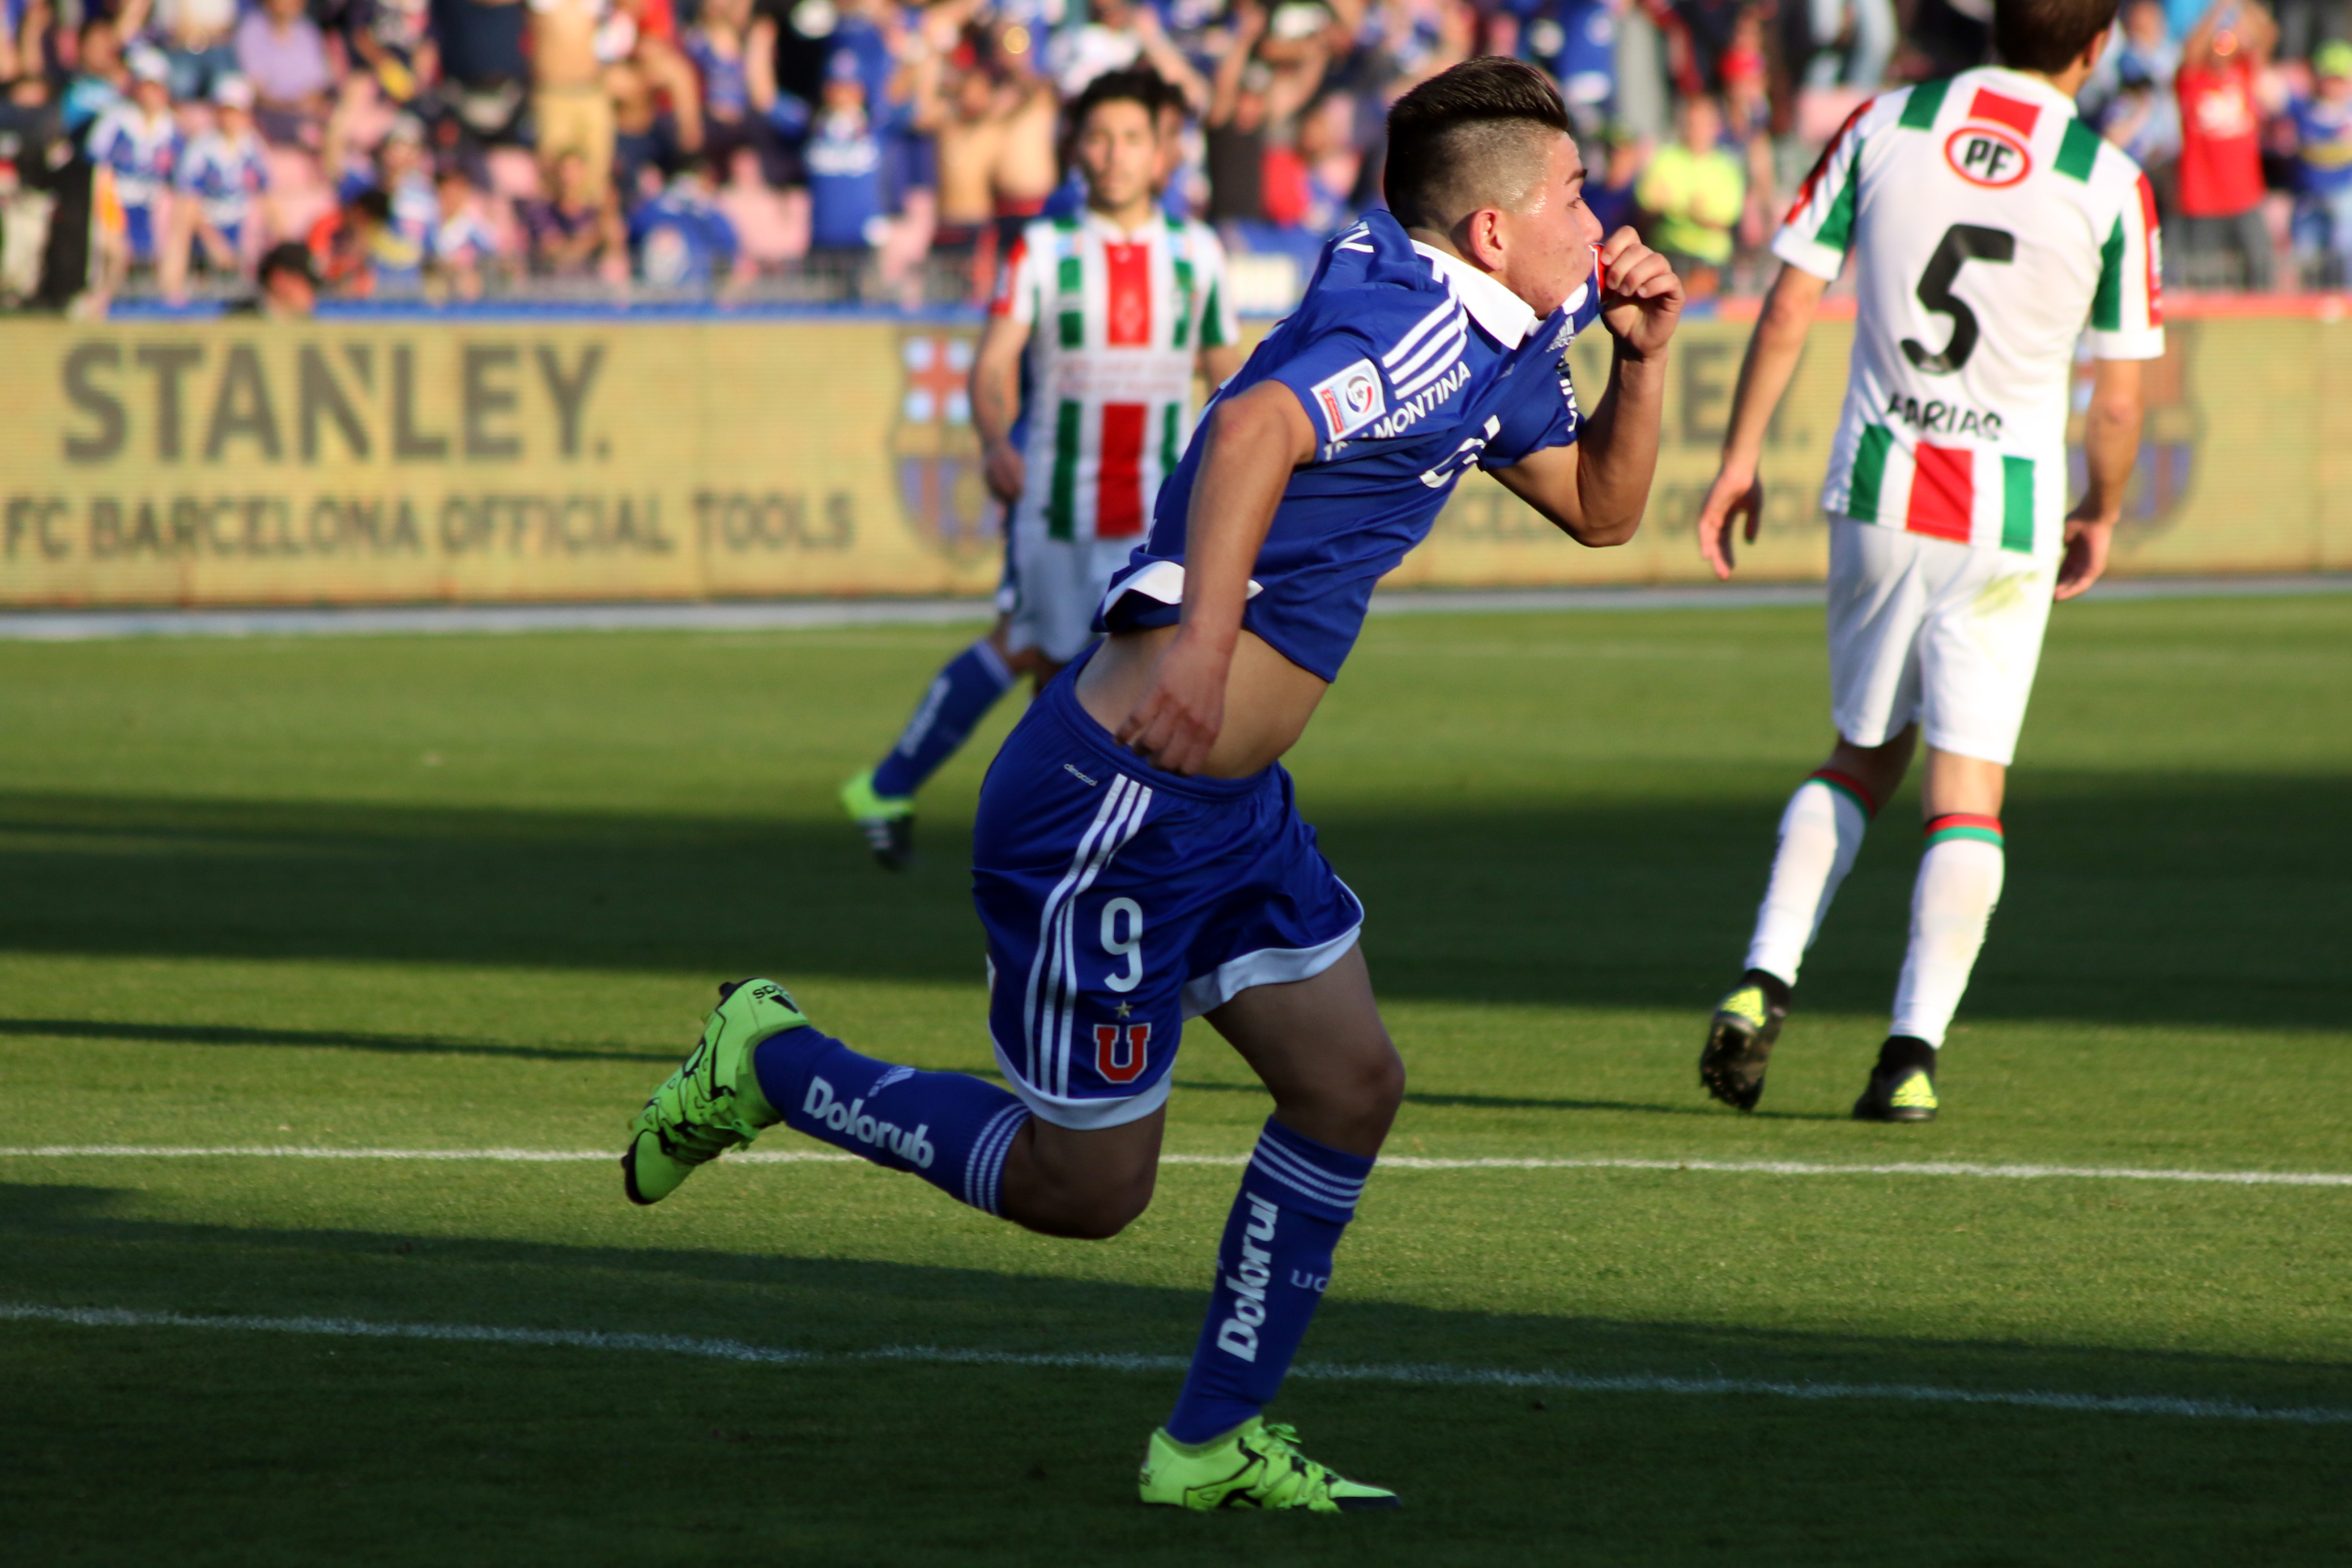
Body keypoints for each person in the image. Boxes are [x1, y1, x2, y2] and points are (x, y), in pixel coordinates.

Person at [630, 56, 1680, 1508]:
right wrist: (1198, 647)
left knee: (1349, 1083)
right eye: (1572, 191)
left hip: (1230, 810)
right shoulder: (1421, 325)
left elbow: (1603, 512)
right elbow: (1256, 429)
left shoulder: (1503, 316)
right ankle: (771, 1062)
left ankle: (1202, 1444)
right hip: (1113, 807)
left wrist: (1643, 351)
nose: (1598, 210)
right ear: (1492, 229)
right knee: (1089, 1191)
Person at [1692, 0, 2161, 1121]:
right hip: (2005, 520)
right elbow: (2121, 397)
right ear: (2095, 48)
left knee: (1861, 752)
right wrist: (2100, 509)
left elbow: (1790, 303)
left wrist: (1739, 460)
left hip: (1878, 490)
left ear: (1998, 25)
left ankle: (1764, 981)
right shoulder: (2108, 181)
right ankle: (1909, 1058)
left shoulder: (1885, 123)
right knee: (1967, 793)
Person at [838, 67, 1244, 869]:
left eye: (1132, 138)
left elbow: (1222, 369)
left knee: (1112, 666)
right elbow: (992, 365)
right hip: (1059, 505)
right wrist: (995, 439)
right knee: (1049, 662)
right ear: (1076, 151)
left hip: (1154, 512)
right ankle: (1010, 824)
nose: (1115, 154)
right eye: (1099, 137)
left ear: (1161, 152)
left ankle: (1018, 823)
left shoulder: (1196, 255)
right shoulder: (1044, 250)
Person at [2172, 0, 2274, 288]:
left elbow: (2266, 36)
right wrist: (2216, 11)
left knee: (2262, 269)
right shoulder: (2192, 79)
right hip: (2204, 197)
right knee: (2207, 276)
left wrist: (2241, 5)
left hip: (2246, 194)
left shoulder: (2242, 73)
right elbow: (2191, 50)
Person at [86, 45, 181, 273]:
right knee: (116, 253)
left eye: (156, 87)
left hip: (151, 206)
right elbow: (98, 174)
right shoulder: (114, 121)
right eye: (145, 87)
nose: (151, 94)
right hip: (115, 204)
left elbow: (178, 180)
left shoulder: (172, 129)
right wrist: (110, 215)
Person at [172, 74, 271, 280]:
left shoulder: (253, 145)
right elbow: (189, 201)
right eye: (226, 112)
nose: (231, 119)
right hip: (208, 223)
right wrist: (214, 241)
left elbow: (266, 193)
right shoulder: (201, 147)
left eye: (236, 112)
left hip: (241, 223)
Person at [2285, 38, 2352, 287]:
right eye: (2329, 78)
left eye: (2341, 79)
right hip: (2308, 199)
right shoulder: (2304, 109)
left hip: (2344, 198)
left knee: (2345, 253)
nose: (2334, 86)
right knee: (2307, 257)